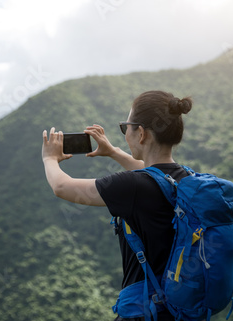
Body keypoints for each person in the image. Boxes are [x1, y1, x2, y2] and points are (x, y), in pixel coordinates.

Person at [41, 90, 193, 321]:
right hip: (182, 310)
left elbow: (62, 187)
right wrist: (112, 151)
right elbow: (152, 174)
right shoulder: (187, 180)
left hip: (145, 312)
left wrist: (49, 159)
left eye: (126, 127)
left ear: (140, 133)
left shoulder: (131, 186)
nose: (125, 134)